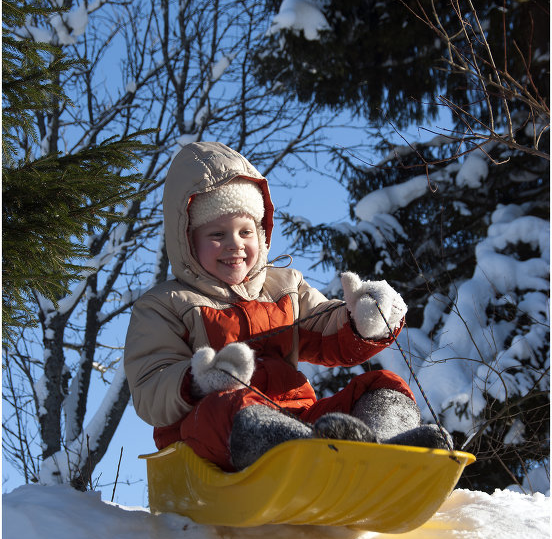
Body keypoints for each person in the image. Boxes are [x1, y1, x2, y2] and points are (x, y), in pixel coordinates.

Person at [124, 141, 452, 472]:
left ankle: (384, 447)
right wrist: (199, 381)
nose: (235, 244)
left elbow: (327, 332)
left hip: (300, 419)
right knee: (225, 408)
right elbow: (150, 385)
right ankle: (301, 455)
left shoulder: (284, 287)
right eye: (217, 234)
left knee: (382, 383)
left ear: (262, 233)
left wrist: (361, 321)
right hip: (211, 440)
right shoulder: (165, 305)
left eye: (245, 231)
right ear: (187, 241)